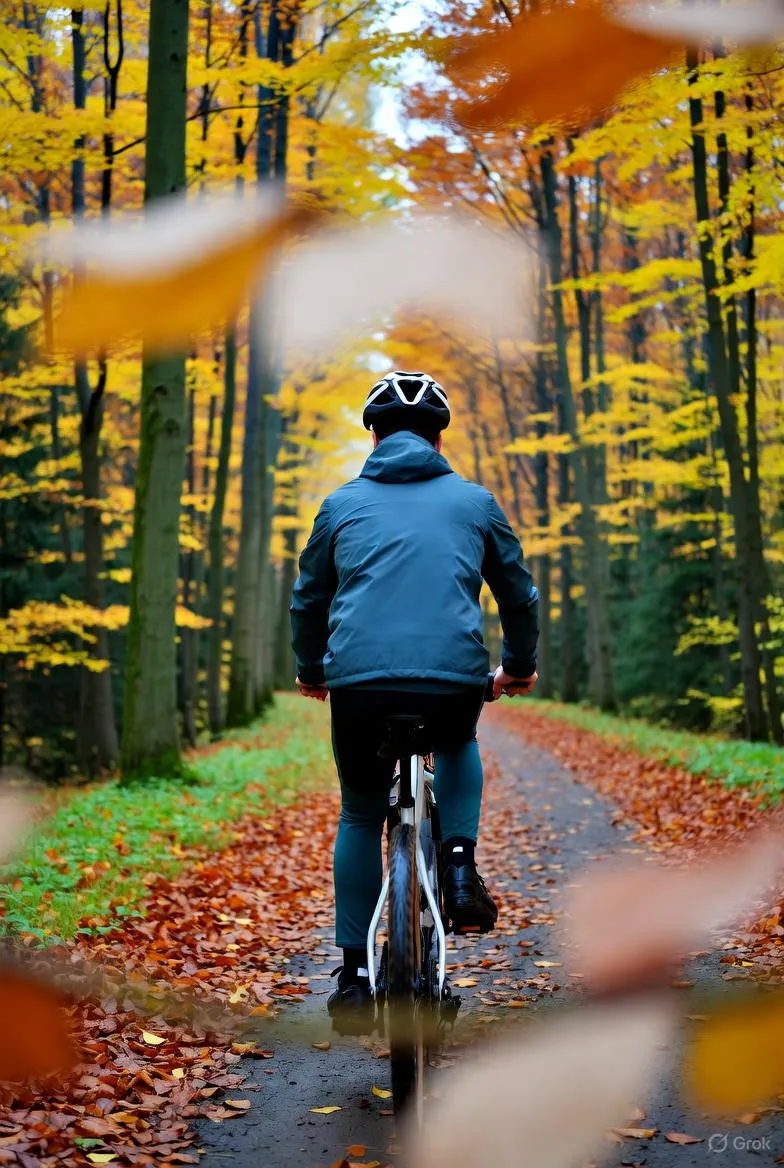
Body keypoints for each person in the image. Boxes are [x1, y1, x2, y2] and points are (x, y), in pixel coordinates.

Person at [290, 370, 539, 1031]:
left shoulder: (340, 505)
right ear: (438, 437)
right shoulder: (476, 502)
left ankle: (354, 975)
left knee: (360, 814)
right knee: (458, 741)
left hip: (360, 685)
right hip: (452, 677)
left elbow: (309, 599)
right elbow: (518, 595)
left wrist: (312, 668)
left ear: (373, 434)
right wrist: (517, 666)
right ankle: (459, 867)